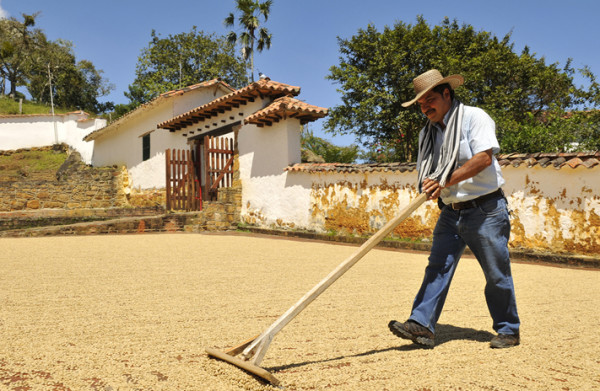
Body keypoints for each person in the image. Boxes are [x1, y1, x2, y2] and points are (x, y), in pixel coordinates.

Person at [388, 69, 520, 349]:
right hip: (450, 211)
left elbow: (484, 158)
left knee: (496, 272)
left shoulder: (474, 117)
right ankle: (422, 325)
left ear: (447, 94)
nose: (425, 108)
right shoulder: (429, 133)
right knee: (437, 268)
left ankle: (508, 329)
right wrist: (431, 182)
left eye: (430, 100)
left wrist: (443, 180)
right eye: (421, 104)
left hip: (486, 209)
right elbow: (434, 170)